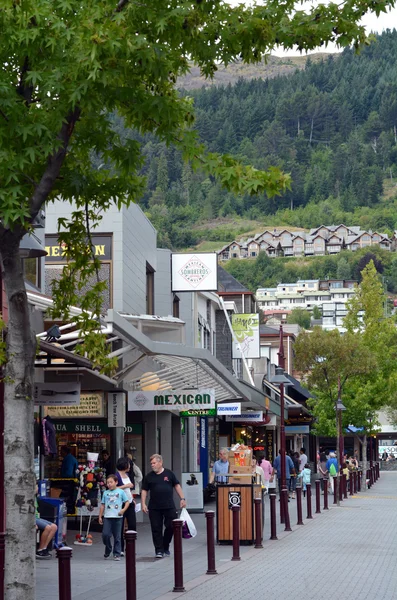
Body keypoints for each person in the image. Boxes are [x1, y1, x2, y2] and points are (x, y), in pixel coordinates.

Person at [141, 454, 186, 559]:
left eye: (154, 463)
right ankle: (159, 550)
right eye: (151, 463)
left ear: (160, 462)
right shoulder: (149, 476)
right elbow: (144, 490)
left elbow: (177, 485)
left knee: (171, 526)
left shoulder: (169, 474)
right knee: (156, 528)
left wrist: (182, 498)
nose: (152, 465)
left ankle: (166, 545)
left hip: (169, 505)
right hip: (154, 507)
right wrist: (143, 503)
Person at [99, 474, 130, 561]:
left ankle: (117, 553)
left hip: (118, 517)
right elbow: (102, 505)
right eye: (107, 482)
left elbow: (127, 502)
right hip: (107, 517)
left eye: (111, 482)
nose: (109, 484)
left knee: (117, 536)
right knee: (105, 535)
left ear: (116, 482)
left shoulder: (121, 492)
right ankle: (108, 548)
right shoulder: (105, 493)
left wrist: (123, 510)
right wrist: (100, 516)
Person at [116, 457, 136, 557]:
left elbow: (128, 491)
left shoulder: (127, 475)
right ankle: (120, 548)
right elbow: (113, 488)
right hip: (120, 503)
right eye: (128, 464)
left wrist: (132, 498)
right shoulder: (116, 476)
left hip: (130, 502)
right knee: (120, 526)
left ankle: (130, 547)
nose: (129, 466)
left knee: (132, 524)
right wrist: (126, 485)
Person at [35, 487, 57, 559]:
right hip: (32, 518)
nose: (37, 488)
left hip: (37, 517)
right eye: (36, 487)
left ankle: (44, 547)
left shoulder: (36, 497)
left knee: (54, 527)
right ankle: (39, 550)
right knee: (47, 527)